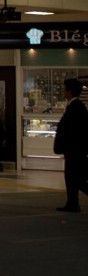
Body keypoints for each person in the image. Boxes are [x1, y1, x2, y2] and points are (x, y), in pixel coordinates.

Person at [53, 78, 88, 212]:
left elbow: (76, 130)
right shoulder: (76, 106)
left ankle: (73, 203)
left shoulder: (76, 107)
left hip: (75, 150)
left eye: (65, 88)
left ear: (70, 91)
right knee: (73, 178)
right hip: (74, 150)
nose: (63, 91)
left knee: (76, 179)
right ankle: (72, 203)